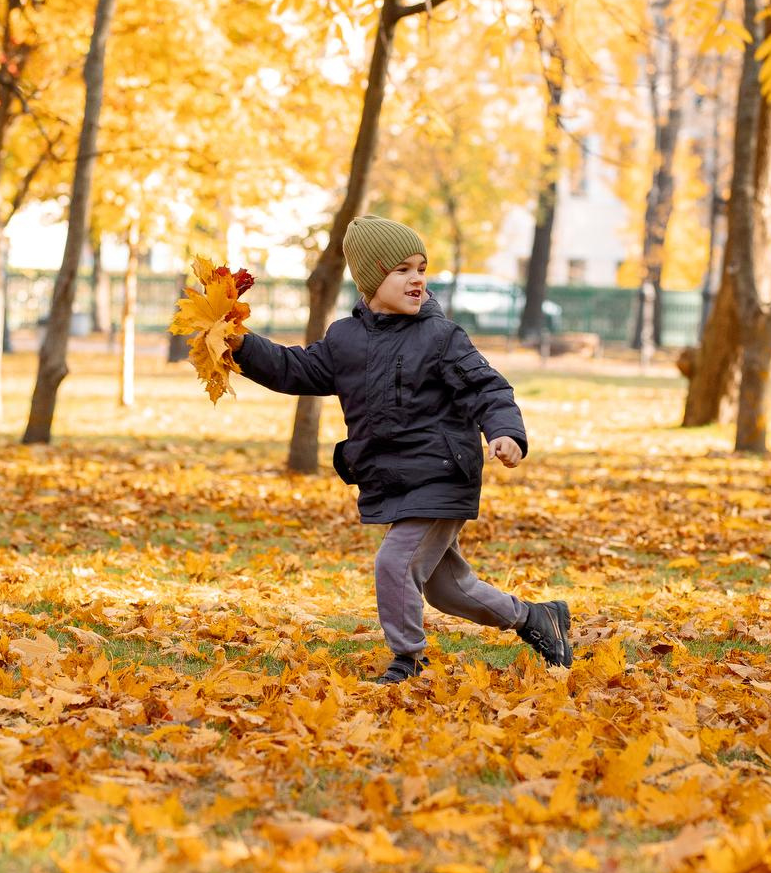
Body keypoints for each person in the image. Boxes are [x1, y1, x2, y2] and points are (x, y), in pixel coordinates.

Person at [231, 215, 573, 684]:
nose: (417, 279)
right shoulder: (345, 339)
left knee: (395, 562)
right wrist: (240, 346)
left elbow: (487, 388)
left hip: (441, 473)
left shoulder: (441, 336)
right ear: (372, 278)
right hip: (394, 478)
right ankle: (536, 618)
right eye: (402, 270)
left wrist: (505, 432)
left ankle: (408, 661)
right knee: (449, 588)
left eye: (421, 268)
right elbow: (295, 369)